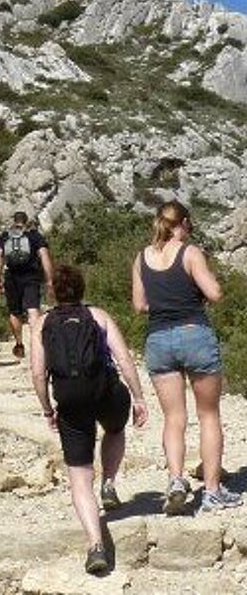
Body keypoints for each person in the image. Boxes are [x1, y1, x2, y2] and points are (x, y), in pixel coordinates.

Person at [31, 265, 149, 575]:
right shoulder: (98, 316)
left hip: (70, 400)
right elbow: (124, 359)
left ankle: (96, 545)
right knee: (114, 428)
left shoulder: (42, 323)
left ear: (53, 292)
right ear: (81, 289)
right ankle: (109, 482)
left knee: (80, 476)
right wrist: (138, 397)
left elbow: (37, 374)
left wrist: (47, 409)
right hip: (106, 391)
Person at [131, 200, 241, 516]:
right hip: (194, 333)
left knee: (173, 419)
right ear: (185, 223)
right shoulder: (190, 252)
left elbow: (139, 305)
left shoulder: (141, 258)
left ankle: (176, 480)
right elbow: (216, 294)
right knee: (208, 415)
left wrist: (164, 304)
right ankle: (212, 491)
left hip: (158, 339)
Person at [0, 211, 55, 359]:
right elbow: (45, 258)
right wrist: (50, 281)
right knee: (33, 310)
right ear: (26, 222)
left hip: (11, 277)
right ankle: (37, 346)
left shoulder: (4, 236)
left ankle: (19, 344)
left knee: (15, 312)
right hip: (31, 276)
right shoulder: (35, 236)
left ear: (14, 221)